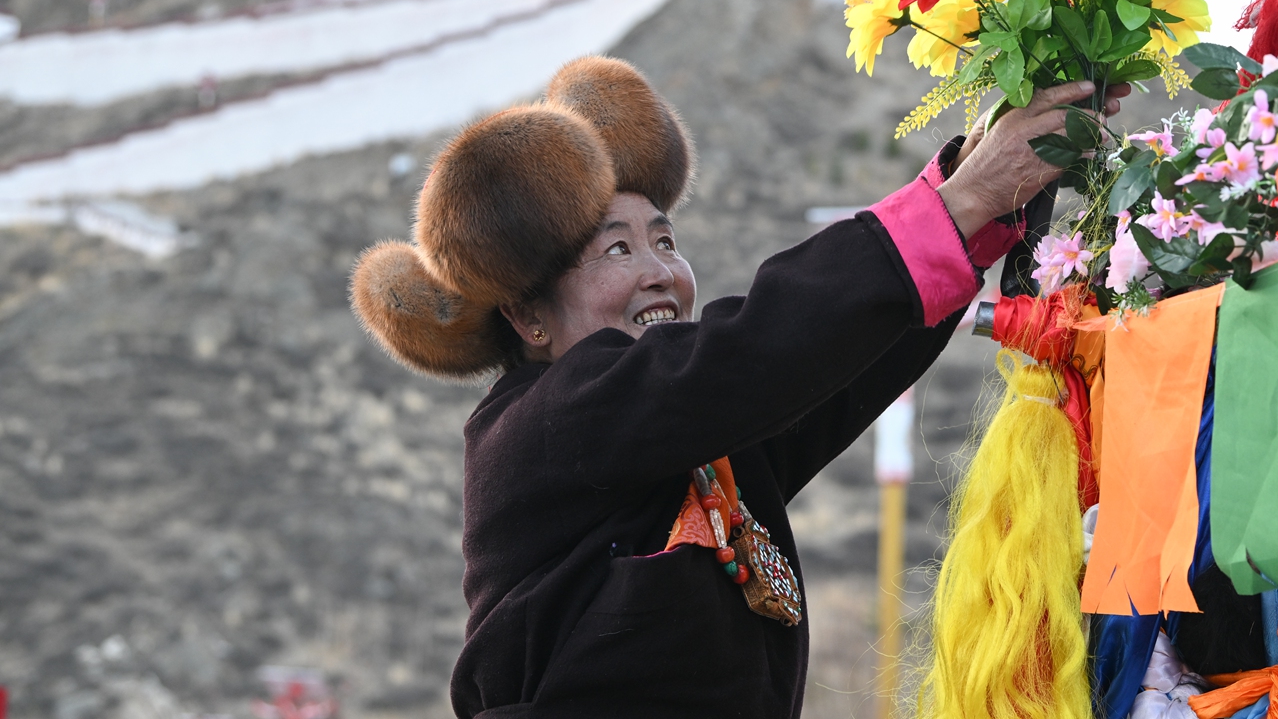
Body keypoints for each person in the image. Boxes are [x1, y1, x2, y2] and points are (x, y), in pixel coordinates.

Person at [349, 55, 1124, 719]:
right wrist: (958, 206)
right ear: (528, 318)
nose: (660, 270)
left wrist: (992, 196)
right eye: (617, 248)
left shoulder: (693, 436)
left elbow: (831, 367)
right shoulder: (542, 426)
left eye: (665, 239)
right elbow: (756, 349)